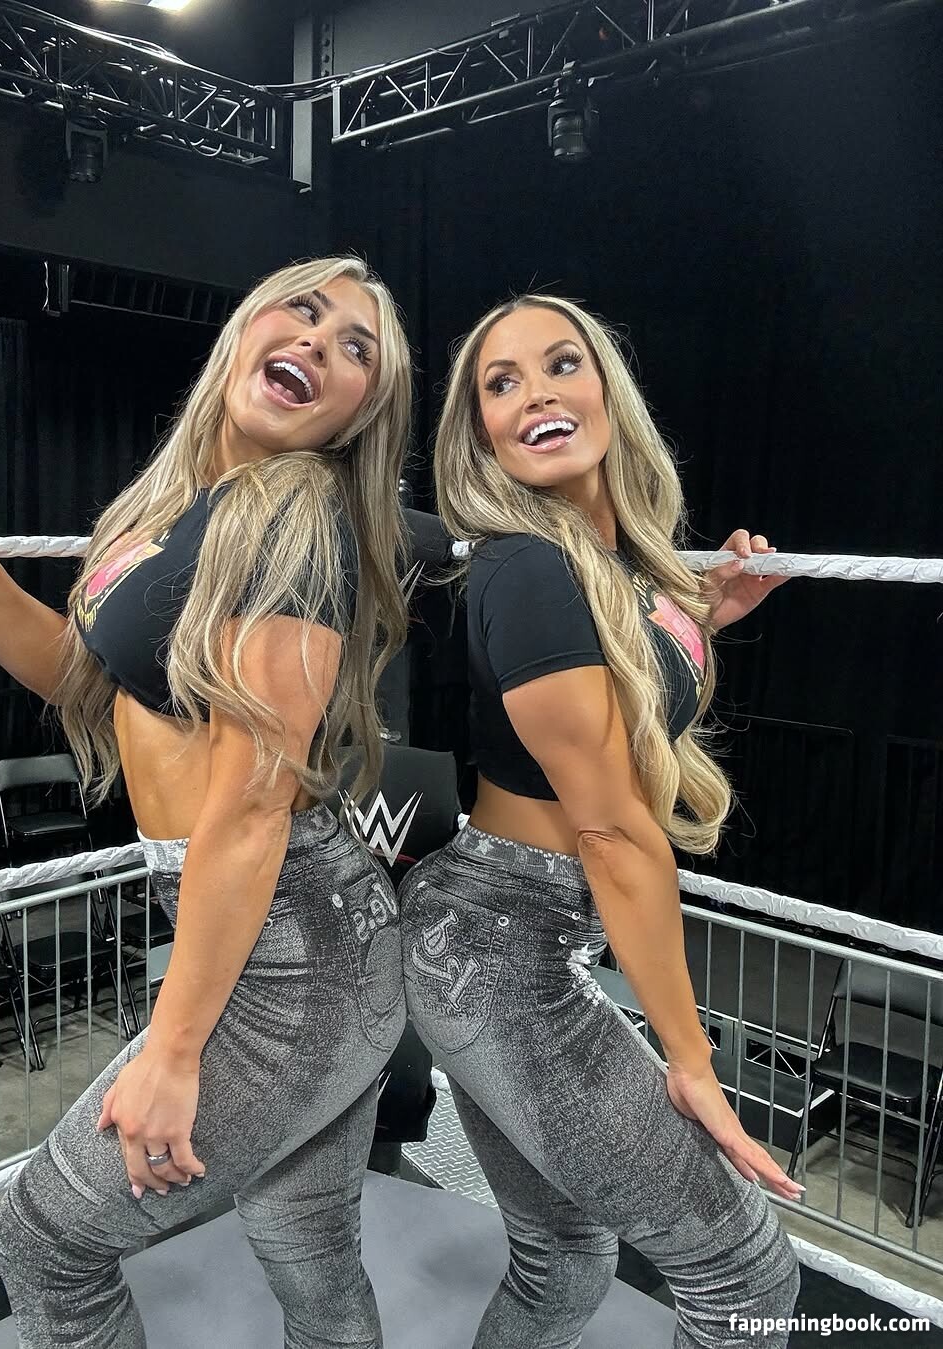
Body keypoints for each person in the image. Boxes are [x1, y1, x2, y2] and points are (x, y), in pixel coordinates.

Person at [0, 256, 413, 1349]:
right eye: (304, 311)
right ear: (248, 325)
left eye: (356, 346)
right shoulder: (187, 512)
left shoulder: (297, 517)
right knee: (310, 1253)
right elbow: (88, 679)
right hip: (283, 932)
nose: (319, 341)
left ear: (362, 411)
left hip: (295, 951)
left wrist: (173, 1047)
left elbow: (252, 809)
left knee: (44, 1240)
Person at [399, 294, 801, 1348]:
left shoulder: (608, 569)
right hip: (496, 945)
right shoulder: (528, 566)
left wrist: (703, 617)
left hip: (501, 936)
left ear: (607, 390)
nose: (535, 391)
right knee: (749, 1273)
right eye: (501, 382)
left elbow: (632, 702)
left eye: (561, 363)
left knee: (565, 1260)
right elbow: (615, 832)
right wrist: (690, 1061)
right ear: (482, 431)